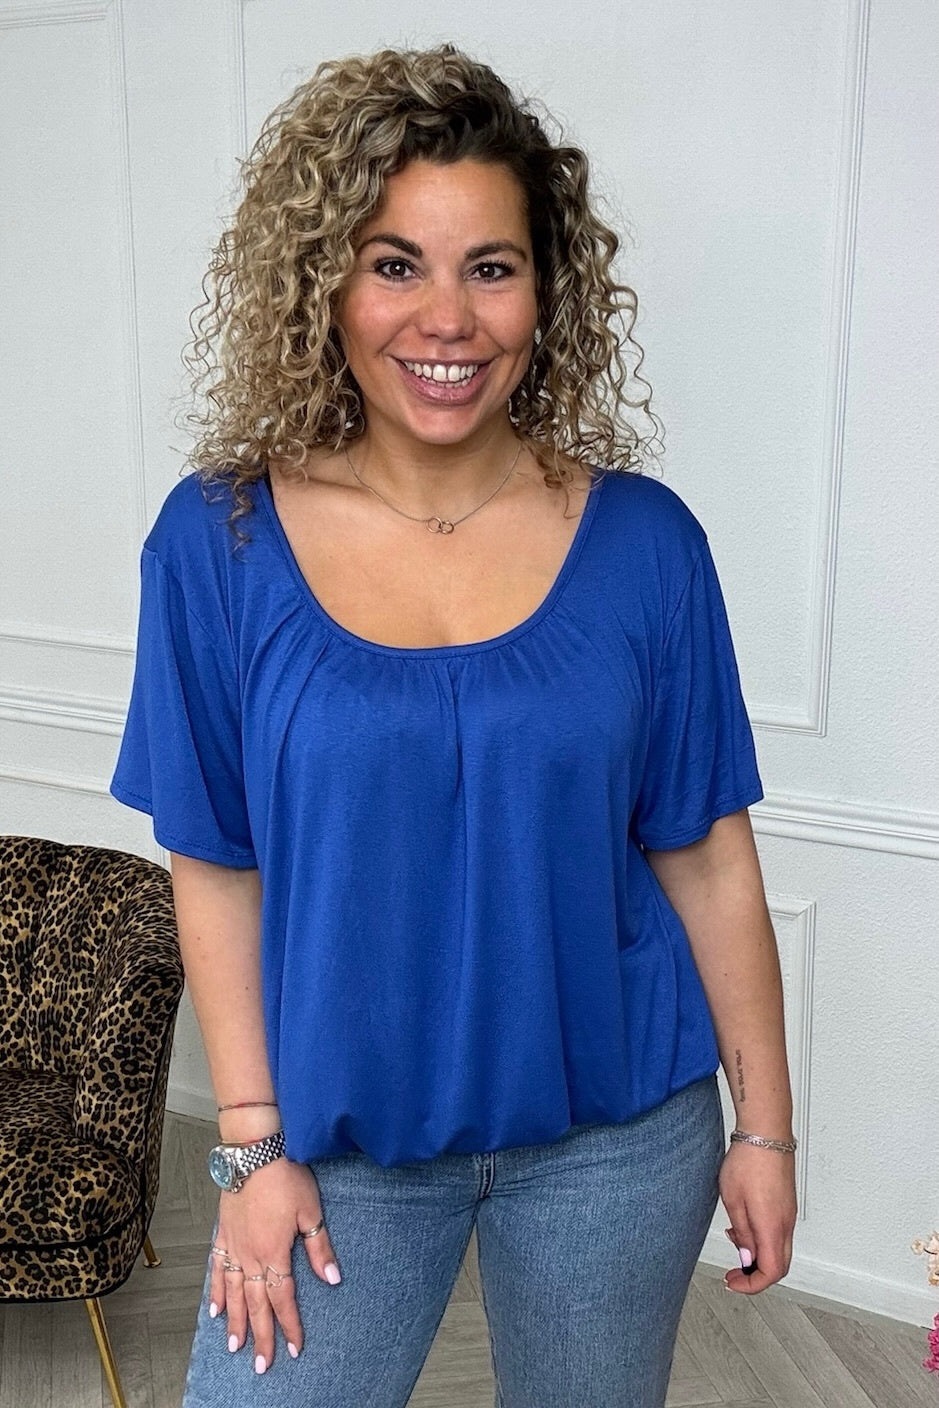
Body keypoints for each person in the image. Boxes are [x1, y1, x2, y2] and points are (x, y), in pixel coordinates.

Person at [111, 44, 797, 1408]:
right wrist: (250, 1146)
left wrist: (766, 1131)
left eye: (491, 267)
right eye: (395, 264)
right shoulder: (218, 539)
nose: (448, 318)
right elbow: (214, 862)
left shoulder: (646, 543)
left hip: (619, 1140)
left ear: (547, 291)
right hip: (335, 1147)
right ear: (326, 284)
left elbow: (708, 855)